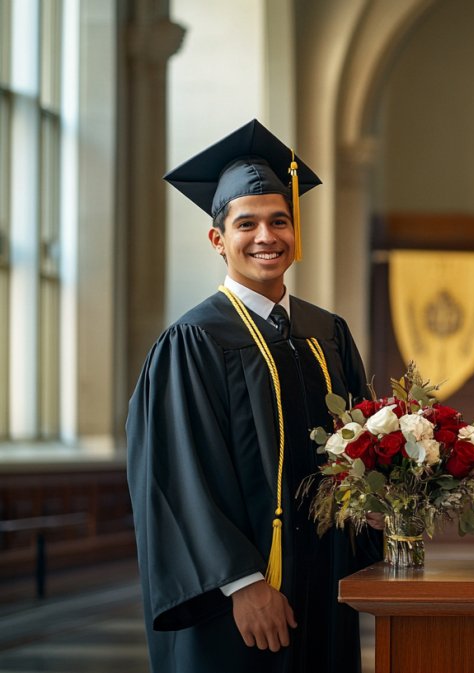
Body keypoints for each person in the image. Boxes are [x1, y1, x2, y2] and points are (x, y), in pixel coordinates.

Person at [127, 119, 379, 673]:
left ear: (295, 231)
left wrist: (384, 513)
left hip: (324, 586)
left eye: (279, 220)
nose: (266, 236)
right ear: (218, 239)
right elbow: (177, 477)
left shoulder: (326, 332)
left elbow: (361, 448)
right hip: (238, 604)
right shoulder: (193, 341)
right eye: (247, 224)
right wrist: (241, 585)